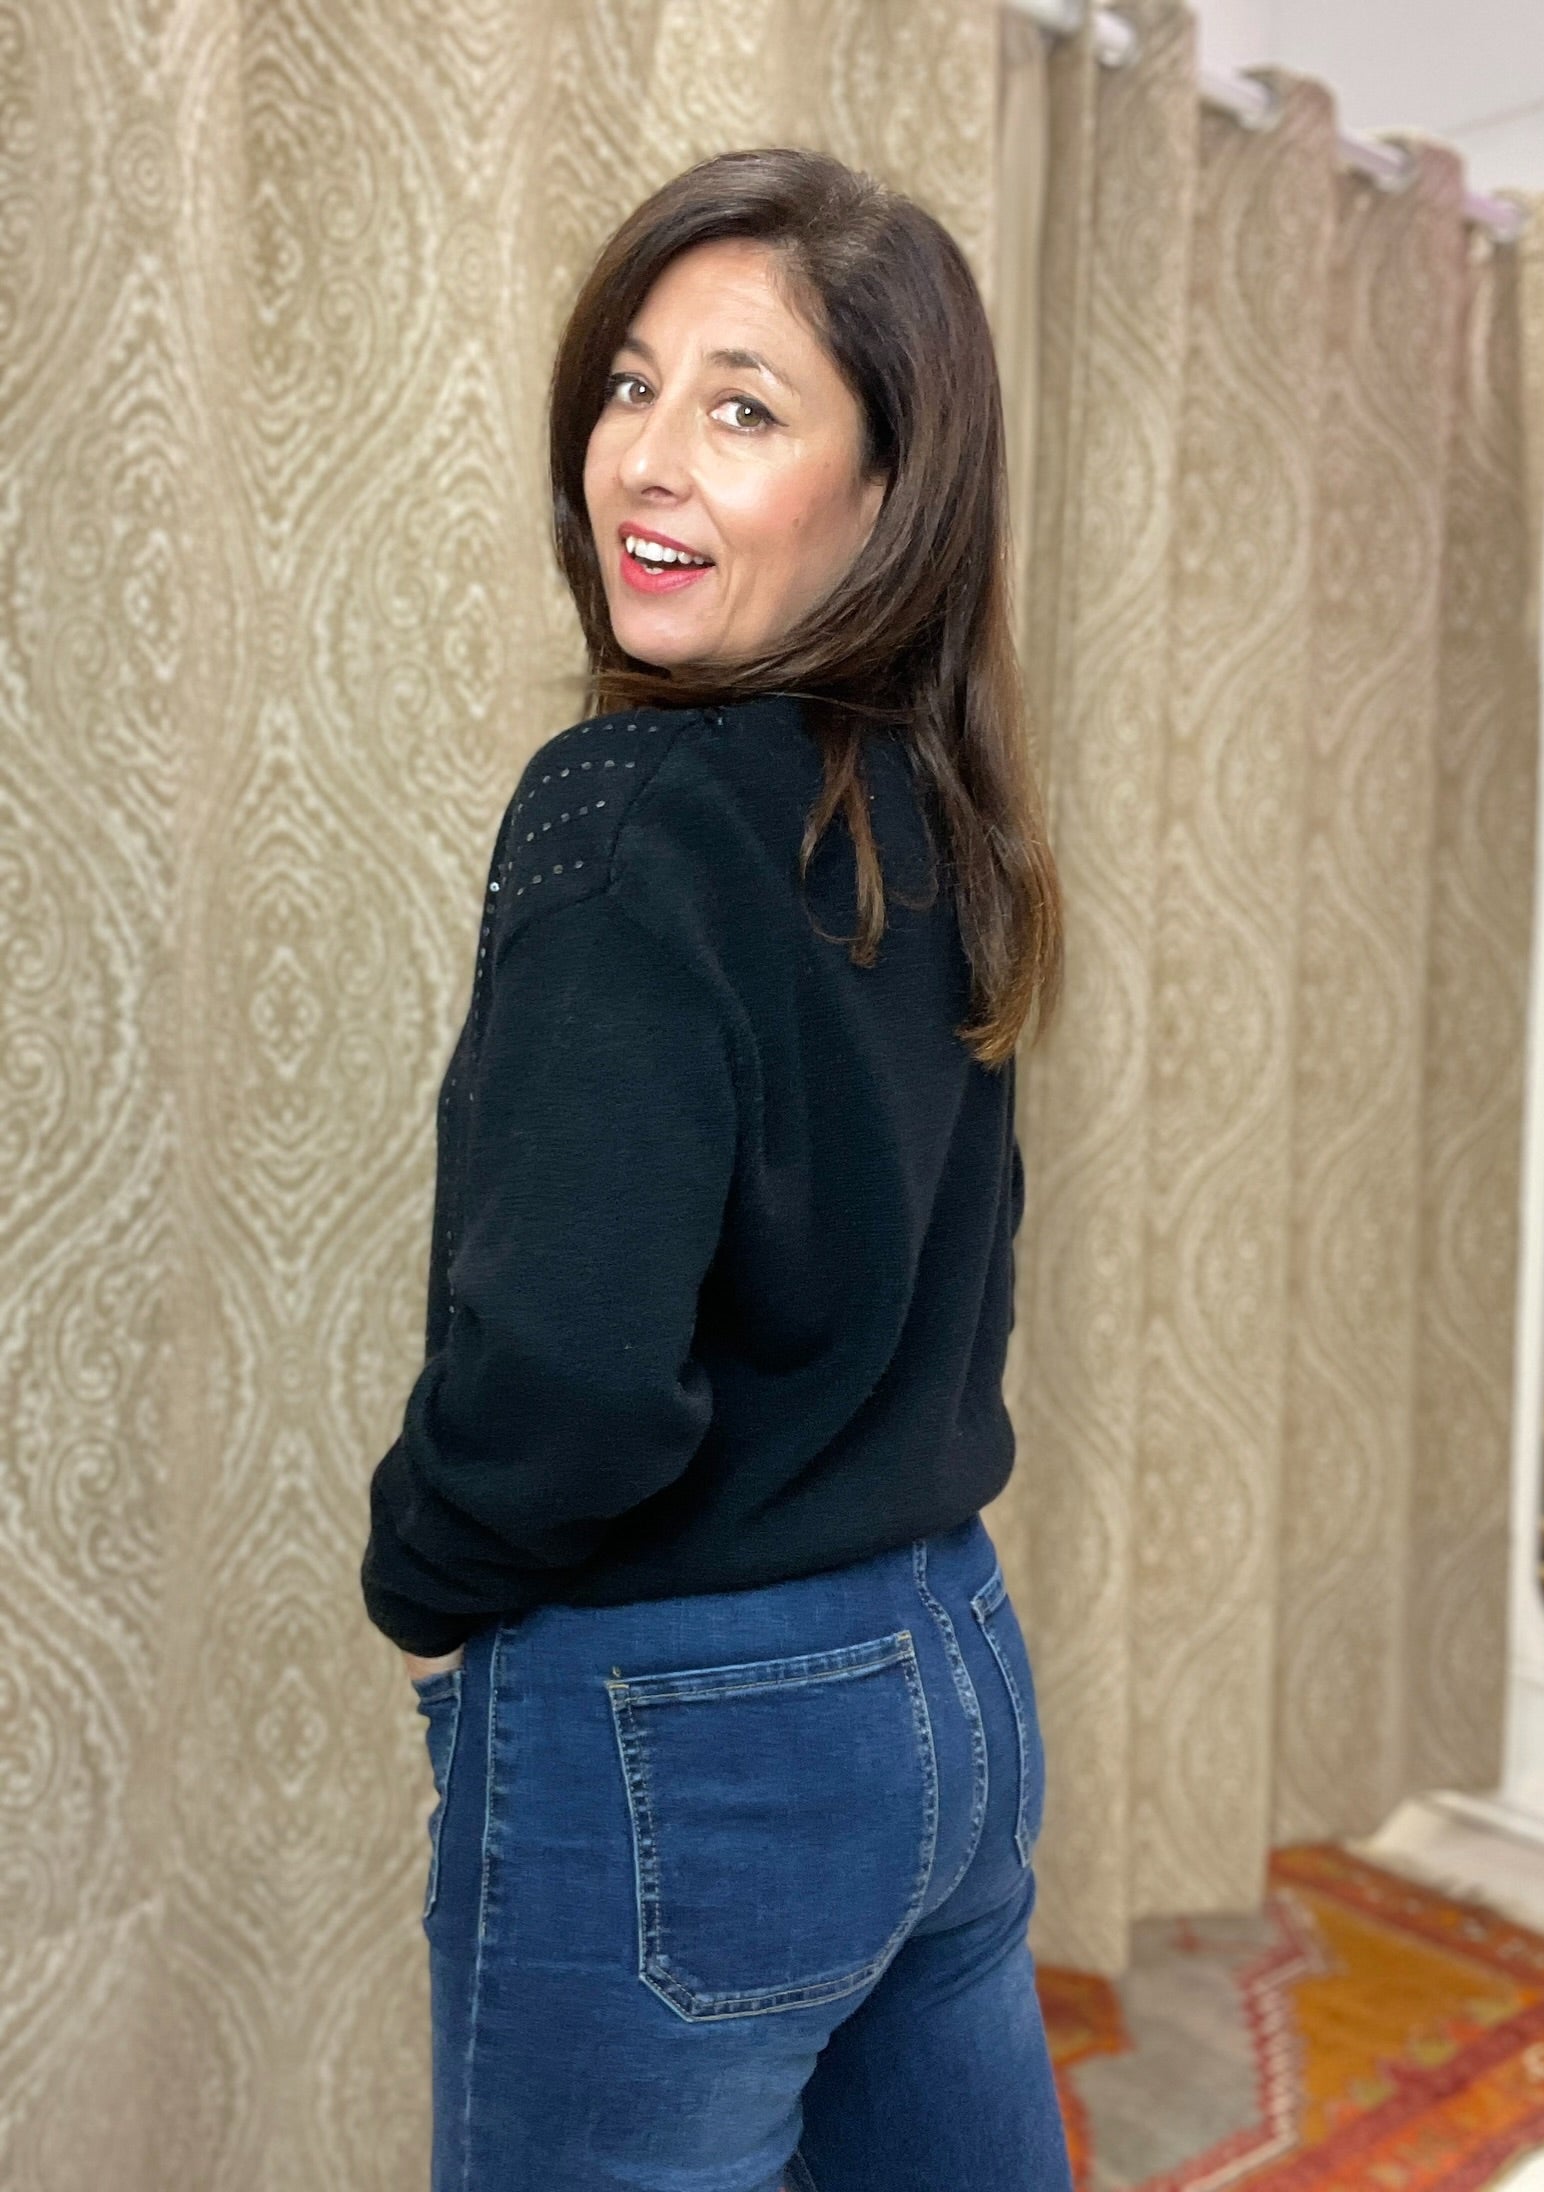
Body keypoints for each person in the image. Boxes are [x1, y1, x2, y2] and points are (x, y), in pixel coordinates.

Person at [359, 142, 1069, 2192]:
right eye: (627, 385)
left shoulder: (628, 808)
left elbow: (572, 1370)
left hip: (688, 1724)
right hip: (947, 1668)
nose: (644, 462)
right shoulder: (937, 819)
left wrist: (420, 1577)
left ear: (885, 491)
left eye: (743, 410)